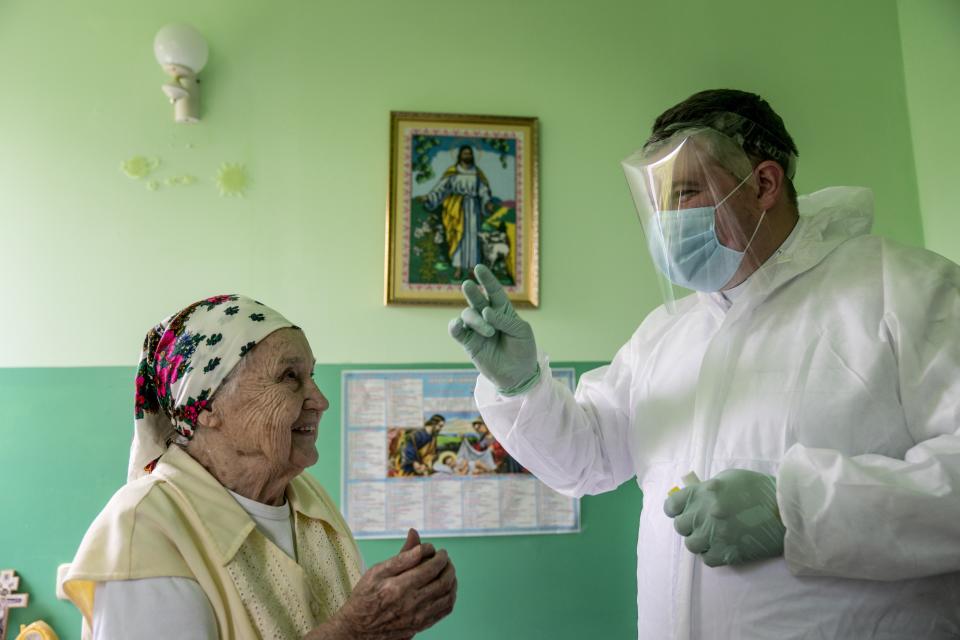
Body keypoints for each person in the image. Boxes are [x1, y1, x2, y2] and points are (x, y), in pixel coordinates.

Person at [448, 90, 960, 639]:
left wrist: (798, 509)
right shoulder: (668, 332)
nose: (666, 220)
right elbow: (588, 460)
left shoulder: (906, 292)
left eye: (686, 193)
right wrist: (522, 385)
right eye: (659, 199)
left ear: (764, 184)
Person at [64, 295, 457, 639]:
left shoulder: (307, 498)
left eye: (311, 376)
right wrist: (358, 631)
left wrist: (391, 622)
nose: (319, 400)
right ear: (208, 407)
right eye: (290, 377)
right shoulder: (145, 530)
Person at [422, 145, 496, 279]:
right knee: (458, 236)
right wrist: (430, 197)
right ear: (460, 156)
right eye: (464, 154)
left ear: (472, 156)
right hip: (456, 208)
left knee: (472, 238)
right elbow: (441, 188)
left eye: (469, 154)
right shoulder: (453, 172)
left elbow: (484, 191)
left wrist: (487, 203)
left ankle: (472, 268)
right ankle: (457, 268)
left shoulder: (477, 173)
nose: (467, 156)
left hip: (473, 208)